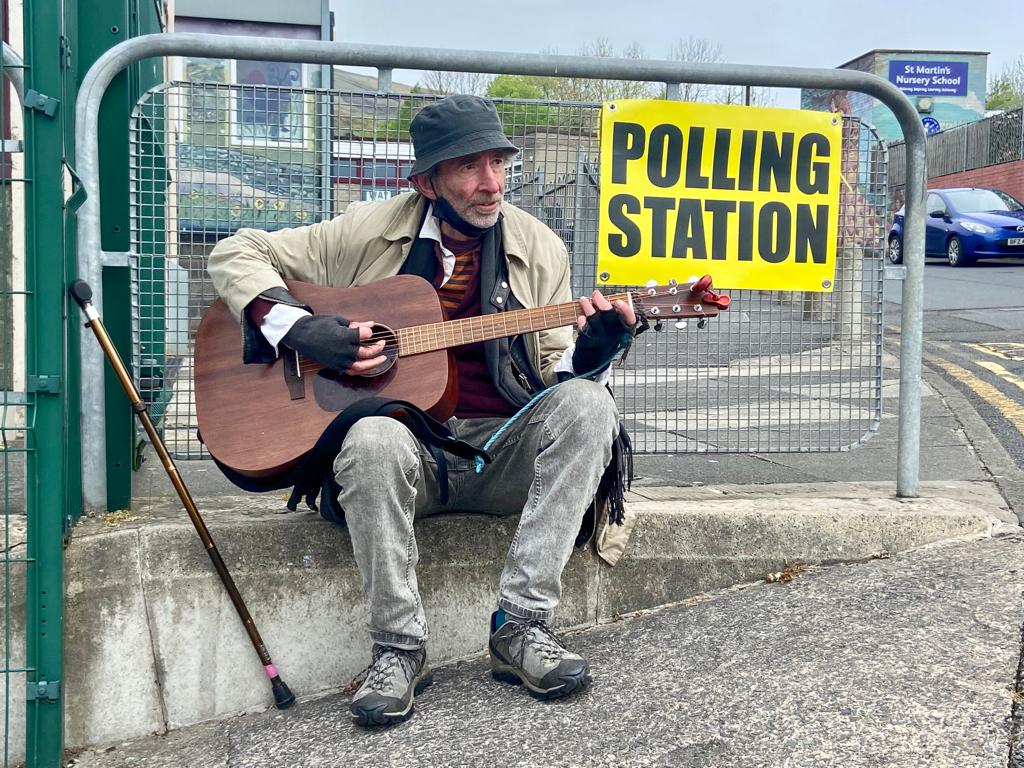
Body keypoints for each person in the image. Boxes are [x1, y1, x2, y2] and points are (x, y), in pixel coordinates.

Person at [207, 94, 637, 727]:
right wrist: (301, 329)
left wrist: (593, 351)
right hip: (408, 460)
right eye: (468, 167)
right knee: (374, 437)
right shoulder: (366, 230)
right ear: (426, 182)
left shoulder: (539, 247)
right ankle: (399, 649)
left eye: (498, 162)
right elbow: (233, 252)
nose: (491, 183)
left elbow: (553, 376)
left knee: (589, 405)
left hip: (498, 450)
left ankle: (521, 625)